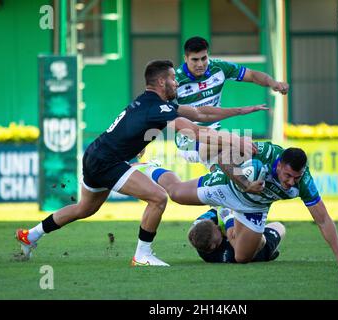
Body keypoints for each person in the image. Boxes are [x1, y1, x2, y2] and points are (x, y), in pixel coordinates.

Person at [15, 59, 268, 267]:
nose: (176, 82)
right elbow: (197, 132)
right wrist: (236, 141)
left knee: (84, 209)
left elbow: (200, 113)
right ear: (161, 82)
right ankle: (142, 255)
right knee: (158, 197)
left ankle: (31, 235)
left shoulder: (155, 103)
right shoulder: (158, 108)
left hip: (95, 155)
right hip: (107, 161)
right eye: (172, 78)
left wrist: (239, 111)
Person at [139, 142, 338, 266]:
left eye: (295, 178)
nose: (290, 183)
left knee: (241, 258)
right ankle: (151, 166)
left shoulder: (304, 182)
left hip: (254, 208)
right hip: (227, 188)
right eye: (287, 176)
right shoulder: (263, 152)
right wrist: (245, 183)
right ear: (279, 165)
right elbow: (223, 159)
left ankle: (268, 231)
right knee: (176, 193)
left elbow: (323, 219)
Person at [174, 36, 289, 166]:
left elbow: (252, 75)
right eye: (195, 60)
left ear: (208, 55)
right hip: (188, 139)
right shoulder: (175, 80)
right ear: (185, 58)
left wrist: (273, 83)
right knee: (231, 146)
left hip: (214, 135)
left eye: (203, 58)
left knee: (232, 168)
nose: (200, 64)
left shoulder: (219, 68)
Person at [188, 207, 285, 264]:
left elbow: (214, 210)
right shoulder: (228, 254)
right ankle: (270, 253)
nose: (218, 227)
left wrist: (224, 206)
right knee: (278, 226)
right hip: (259, 249)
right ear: (213, 246)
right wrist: (228, 220)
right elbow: (261, 241)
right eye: (218, 230)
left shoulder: (200, 238)